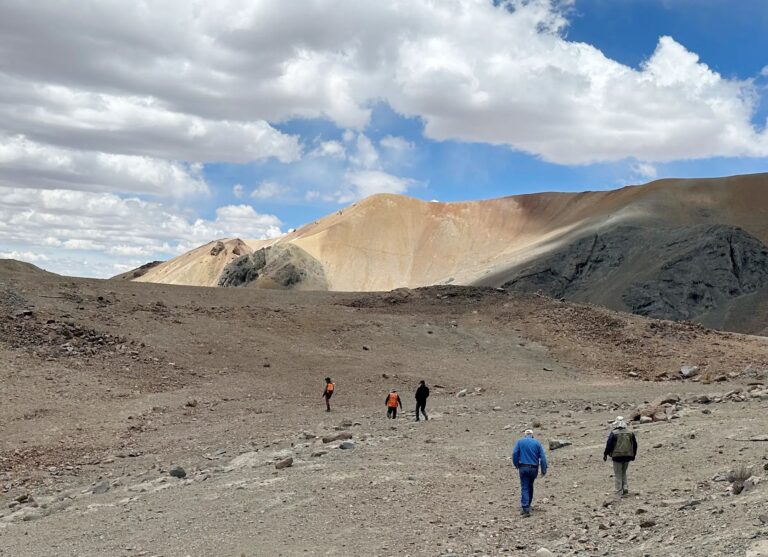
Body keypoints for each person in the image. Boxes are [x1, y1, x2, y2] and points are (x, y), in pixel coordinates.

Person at [512, 429, 548, 517]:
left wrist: (516, 464)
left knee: (524, 486)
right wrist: (543, 469)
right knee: (530, 485)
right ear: (532, 435)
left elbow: (514, 453)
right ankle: (528, 504)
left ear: (525, 435)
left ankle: (525, 508)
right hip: (534, 468)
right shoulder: (537, 443)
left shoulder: (520, 442)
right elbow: (543, 457)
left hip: (523, 467)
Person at [603, 416, 638, 497]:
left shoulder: (614, 433)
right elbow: (635, 445)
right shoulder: (630, 432)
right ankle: (625, 487)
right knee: (624, 472)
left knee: (618, 474)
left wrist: (605, 454)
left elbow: (609, 445)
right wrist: (633, 455)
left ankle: (619, 491)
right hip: (628, 455)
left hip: (617, 456)